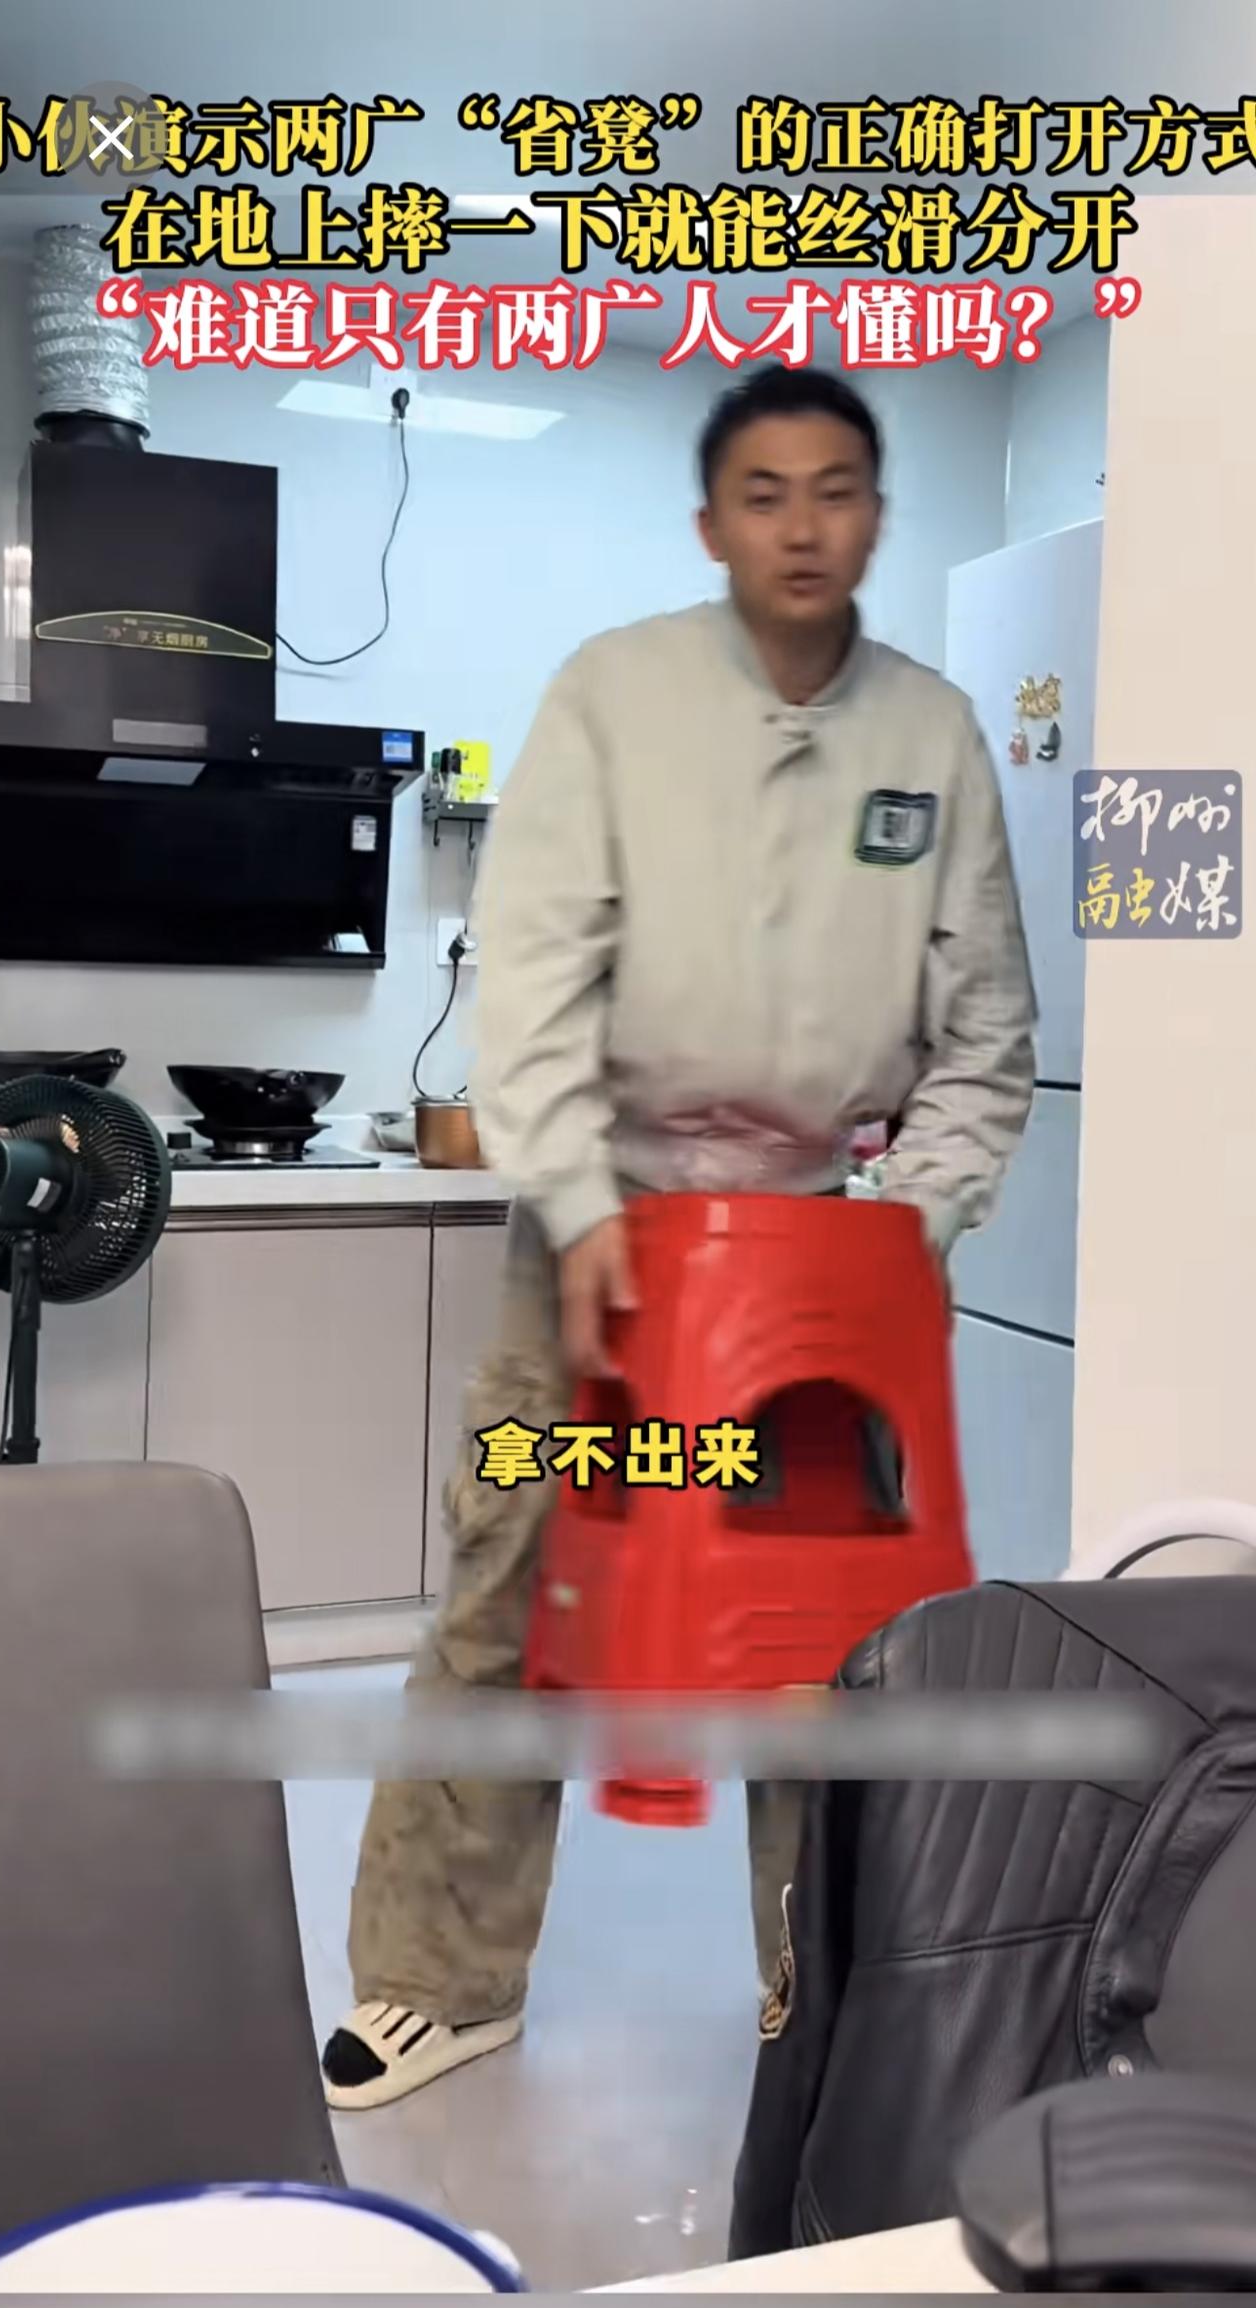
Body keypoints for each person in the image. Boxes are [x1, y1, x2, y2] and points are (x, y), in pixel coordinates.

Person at [322, 364, 1036, 2110]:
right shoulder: (616, 696)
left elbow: (986, 1034)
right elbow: (534, 978)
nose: (803, 526)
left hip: (822, 1250)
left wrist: (912, 1229)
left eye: (837, 489)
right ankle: (437, 1978)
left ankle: (831, 1985)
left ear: (876, 515)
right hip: (602, 1234)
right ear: (713, 523)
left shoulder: (934, 734)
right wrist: (576, 1207)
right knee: (515, 1581)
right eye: (765, 493)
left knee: (825, 1625)